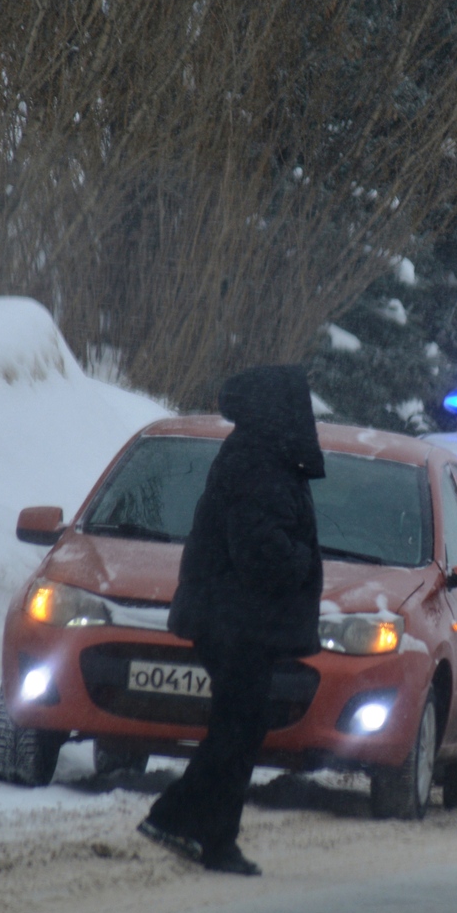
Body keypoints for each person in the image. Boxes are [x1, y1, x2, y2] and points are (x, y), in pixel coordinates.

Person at [138, 364, 324, 875]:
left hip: (237, 621)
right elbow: (258, 550)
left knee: (238, 729)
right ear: (280, 409)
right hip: (237, 623)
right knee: (237, 732)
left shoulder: (257, 455)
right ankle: (179, 819)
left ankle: (212, 836)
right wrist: (302, 559)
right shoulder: (259, 462)